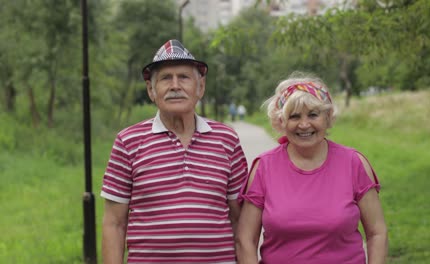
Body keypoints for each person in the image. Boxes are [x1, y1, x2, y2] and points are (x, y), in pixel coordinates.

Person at [101, 39, 248, 264]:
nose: (175, 86)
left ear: (200, 87)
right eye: (166, 78)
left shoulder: (226, 139)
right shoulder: (128, 141)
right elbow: (114, 223)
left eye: (184, 77)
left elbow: (240, 219)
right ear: (151, 90)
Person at [236, 72, 388, 264]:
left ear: (328, 116)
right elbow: (245, 240)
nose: (304, 124)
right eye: (294, 116)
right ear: (282, 121)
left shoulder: (353, 162)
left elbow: (377, 233)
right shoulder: (264, 167)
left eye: (313, 114)